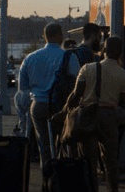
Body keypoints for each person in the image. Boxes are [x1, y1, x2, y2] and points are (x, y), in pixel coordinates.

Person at [60, 37, 125, 192]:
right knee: (110, 160)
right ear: (120, 53)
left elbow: (75, 95)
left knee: (89, 160)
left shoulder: (88, 68)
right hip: (108, 117)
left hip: (88, 115)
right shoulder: (124, 75)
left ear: (103, 51)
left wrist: (63, 112)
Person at [19, 23, 80, 166]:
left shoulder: (30, 58)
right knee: (64, 143)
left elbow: (23, 87)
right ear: (60, 35)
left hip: (38, 105)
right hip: (61, 107)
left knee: (44, 145)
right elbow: (77, 84)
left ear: (44, 36)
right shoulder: (69, 57)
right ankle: (63, 176)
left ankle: (47, 179)